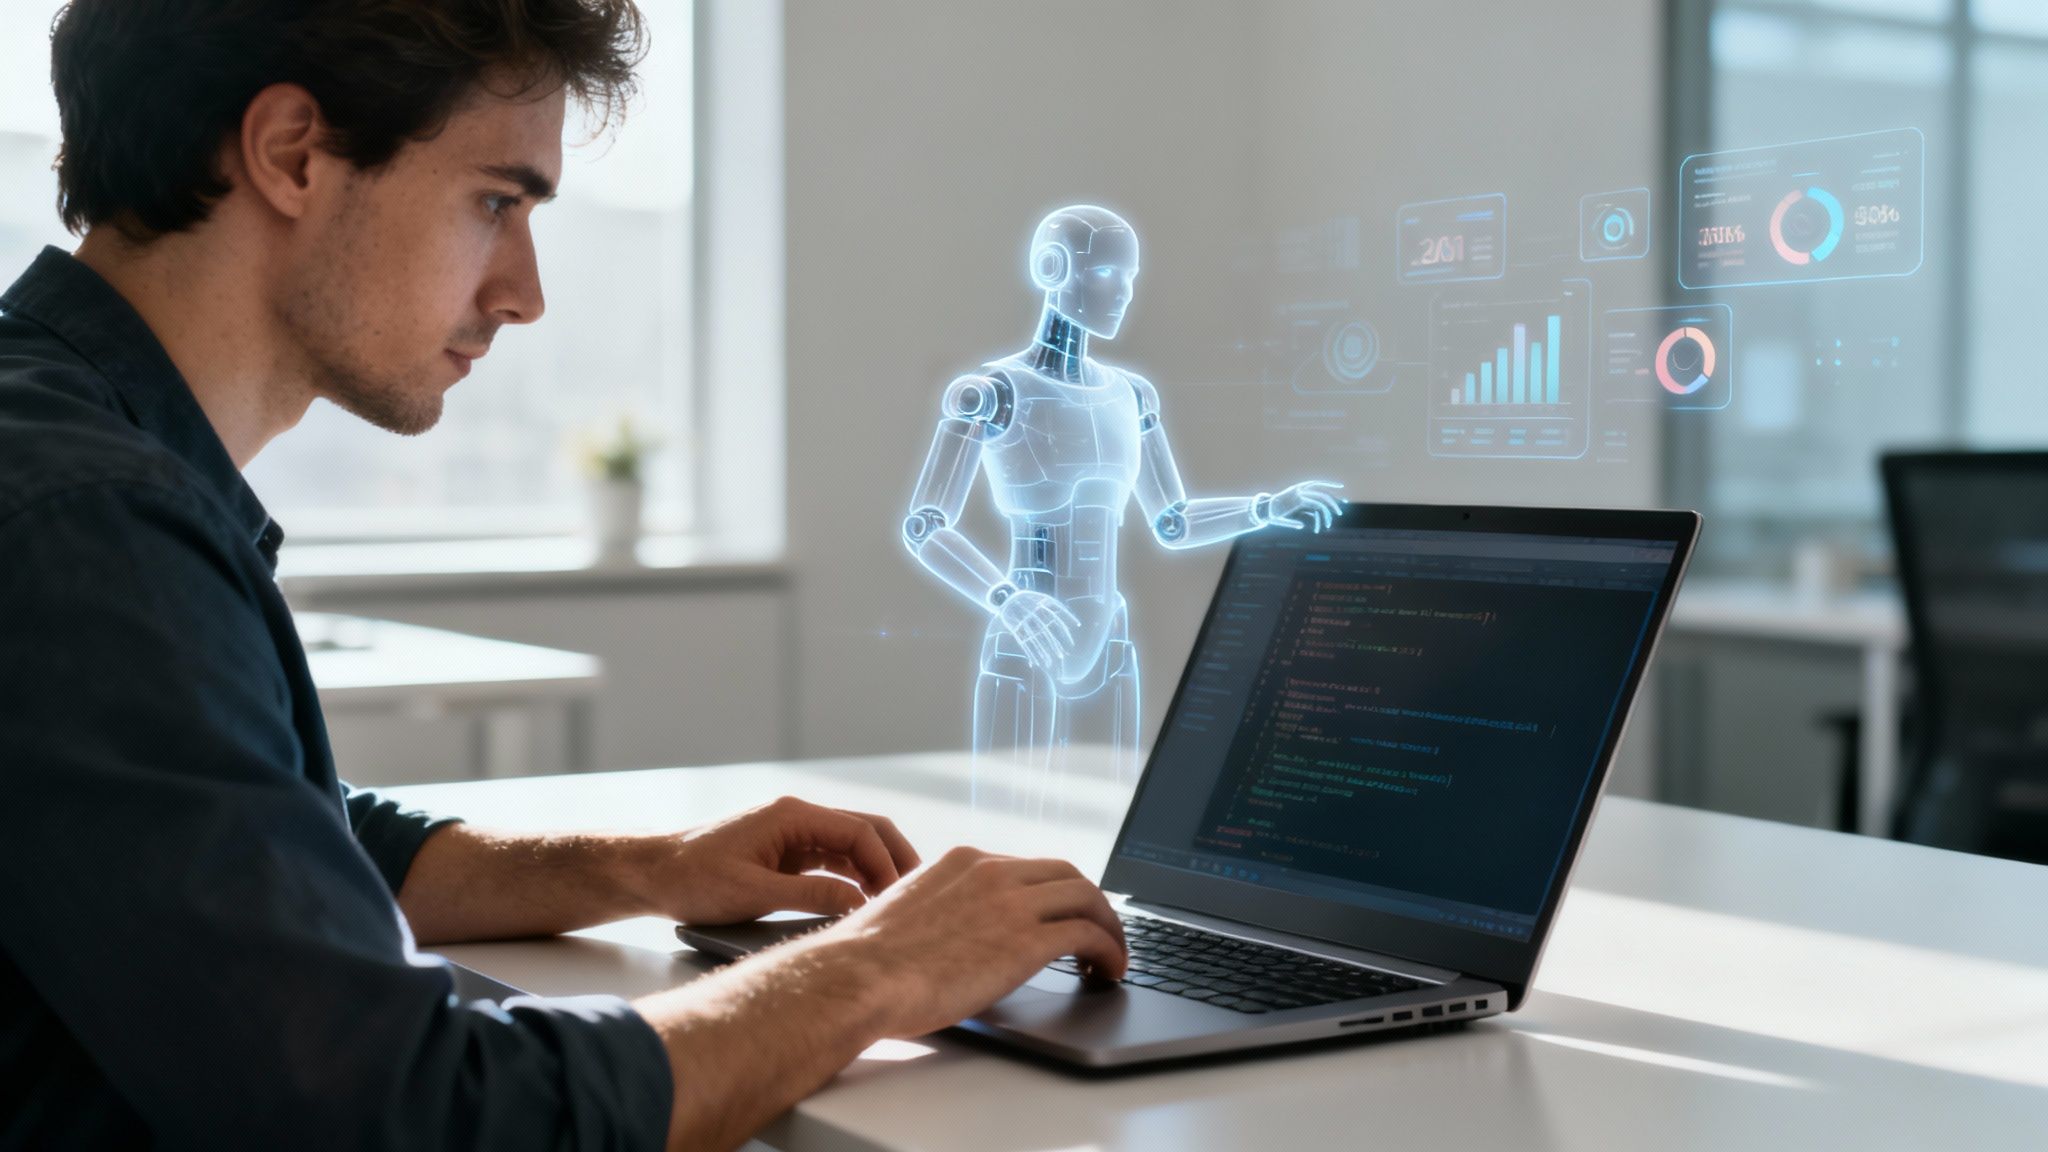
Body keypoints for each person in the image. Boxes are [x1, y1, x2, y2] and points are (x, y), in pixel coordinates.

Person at [0, 3, 1126, 1149]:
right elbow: (409, 1116)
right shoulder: (86, 524)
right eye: (497, 200)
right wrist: (882, 967)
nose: (524, 292)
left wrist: (651, 868)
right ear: (293, 154)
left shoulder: (63, 454)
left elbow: (261, 848)